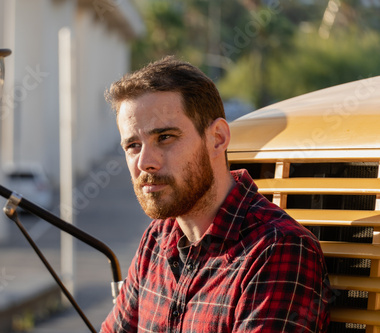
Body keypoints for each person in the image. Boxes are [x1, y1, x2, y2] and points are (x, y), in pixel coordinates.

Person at [100, 56, 333, 333]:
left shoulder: (276, 249)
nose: (145, 162)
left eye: (165, 137)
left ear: (217, 138)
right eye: (133, 145)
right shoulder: (156, 238)